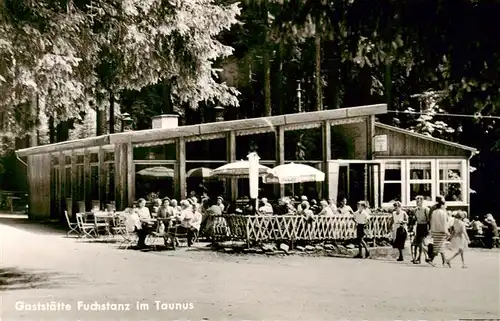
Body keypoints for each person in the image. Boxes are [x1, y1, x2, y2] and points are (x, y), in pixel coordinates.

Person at [428, 196, 450, 266]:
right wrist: (446, 232)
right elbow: (444, 223)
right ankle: (431, 259)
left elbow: (431, 221)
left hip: (435, 231)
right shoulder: (443, 213)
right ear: (442, 205)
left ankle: (444, 261)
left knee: (441, 246)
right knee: (438, 246)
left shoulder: (434, 212)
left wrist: (432, 230)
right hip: (441, 231)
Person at [412, 196, 430, 264]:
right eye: (416, 201)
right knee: (418, 243)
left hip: (424, 226)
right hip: (418, 226)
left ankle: (426, 256)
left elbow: (429, 219)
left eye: (418, 201)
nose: (417, 203)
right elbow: (415, 219)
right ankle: (421, 257)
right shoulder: (416, 210)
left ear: (422, 201)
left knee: (422, 242)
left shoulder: (426, 209)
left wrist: (429, 228)